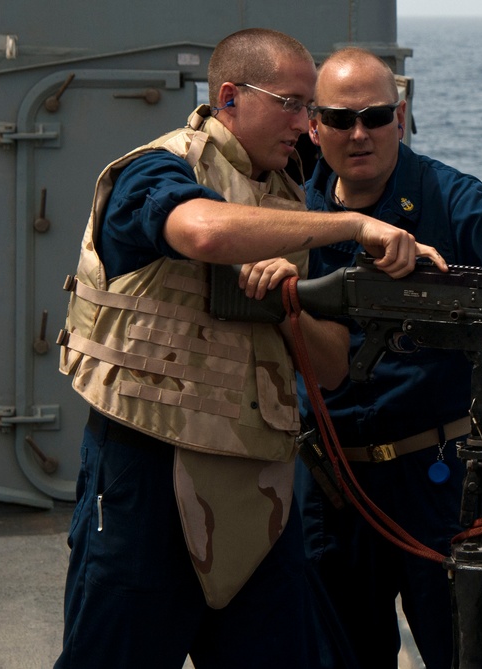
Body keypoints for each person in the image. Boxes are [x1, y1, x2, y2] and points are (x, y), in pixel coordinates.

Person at [54, 29, 444, 669]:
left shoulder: (285, 198)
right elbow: (203, 232)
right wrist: (352, 224)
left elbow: (331, 368)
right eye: (291, 104)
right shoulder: (156, 169)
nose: (304, 123)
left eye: (308, 107)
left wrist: (289, 305)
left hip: (259, 489)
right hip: (148, 470)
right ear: (231, 97)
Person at [294, 46, 482, 669]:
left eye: (376, 117)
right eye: (341, 119)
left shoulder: (447, 196)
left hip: (442, 480)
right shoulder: (288, 208)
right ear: (314, 126)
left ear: (400, 118)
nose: (359, 133)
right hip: (330, 484)